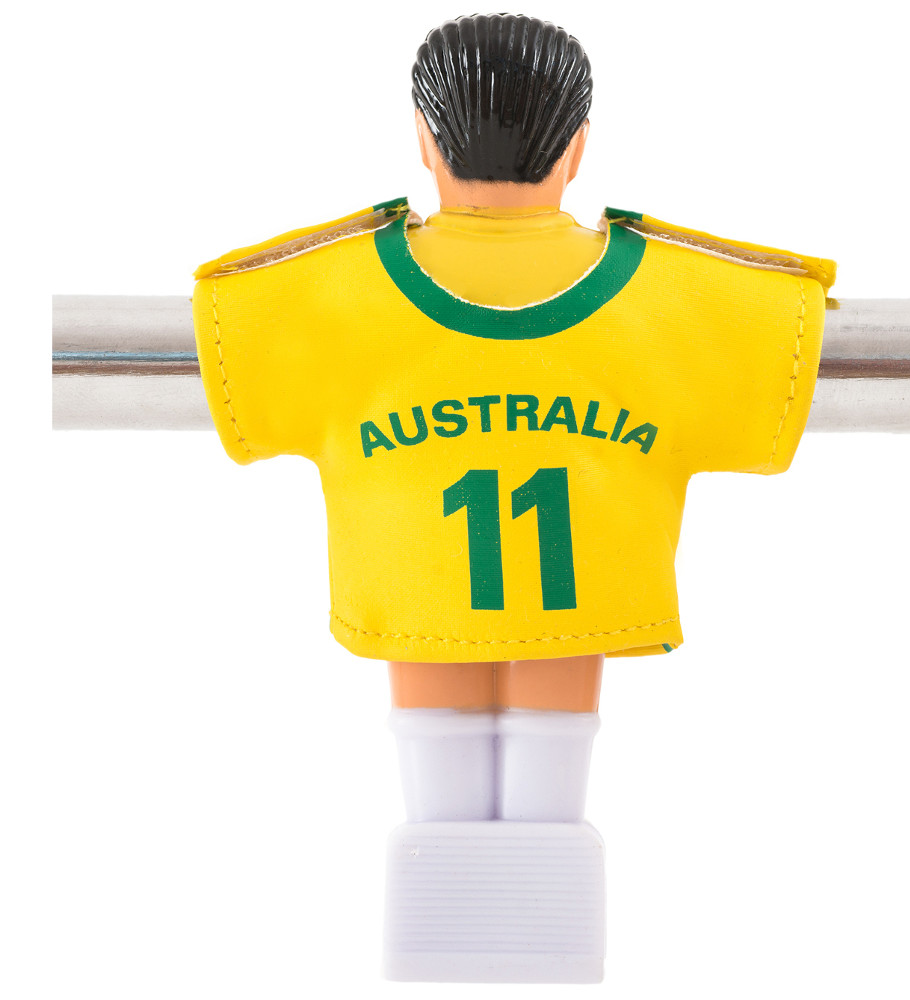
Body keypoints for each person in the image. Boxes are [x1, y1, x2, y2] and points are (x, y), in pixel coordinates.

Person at [191, 13, 835, 981]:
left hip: (420, 604)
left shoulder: (326, 294)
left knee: (436, 729)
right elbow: (774, 329)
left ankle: (452, 919)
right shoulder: (679, 299)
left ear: (423, 141)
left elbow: (239, 327)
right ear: (578, 148)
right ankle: (537, 919)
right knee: (552, 745)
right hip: (577, 609)